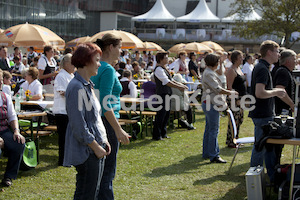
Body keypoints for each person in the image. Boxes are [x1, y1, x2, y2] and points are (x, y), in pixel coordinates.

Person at [63, 43, 110, 199]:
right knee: (86, 195)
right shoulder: (77, 87)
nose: (99, 64)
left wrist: (104, 139)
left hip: (95, 147)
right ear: (86, 60)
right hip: (87, 151)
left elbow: (95, 118)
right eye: (97, 60)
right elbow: (79, 125)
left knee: (92, 193)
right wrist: (95, 146)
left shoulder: (87, 85)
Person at [91, 33, 131, 200]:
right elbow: (106, 103)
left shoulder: (97, 67)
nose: (121, 51)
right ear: (110, 47)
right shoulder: (106, 69)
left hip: (96, 121)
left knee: (100, 172)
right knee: (107, 173)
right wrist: (118, 129)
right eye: (119, 47)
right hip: (106, 123)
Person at [249, 40, 286, 182]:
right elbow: (260, 93)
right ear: (269, 52)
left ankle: (260, 177)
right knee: (260, 148)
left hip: (263, 113)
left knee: (262, 147)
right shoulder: (262, 68)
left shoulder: (263, 67)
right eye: (277, 51)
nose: (278, 55)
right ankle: (254, 180)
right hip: (262, 114)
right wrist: (276, 91)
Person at [201, 53, 238, 163]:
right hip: (211, 103)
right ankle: (214, 155)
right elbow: (217, 88)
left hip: (209, 102)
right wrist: (230, 92)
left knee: (209, 129)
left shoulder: (210, 72)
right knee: (213, 130)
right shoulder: (209, 73)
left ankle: (208, 152)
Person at [152, 51, 188, 140]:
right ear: (161, 59)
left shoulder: (164, 68)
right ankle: (157, 135)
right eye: (166, 58)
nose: (168, 59)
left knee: (166, 114)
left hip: (167, 93)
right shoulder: (159, 69)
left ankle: (163, 133)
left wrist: (181, 85)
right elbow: (167, 82)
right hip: (162, 94)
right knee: (161, 114)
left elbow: (171, 79)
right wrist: (179, 87)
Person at [0, 69, 25, 187]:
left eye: (1, 80)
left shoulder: (5, 96)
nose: (0, 83)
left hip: (4, 130)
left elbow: (12, 116)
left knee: (18, 143)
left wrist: (16, 131)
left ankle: (9, 176)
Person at [53, 53, 75, 166]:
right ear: (66, 63)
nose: (74, 66)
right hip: (61, 110)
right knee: (63, 137)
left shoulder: (70, 75)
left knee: (68, 137)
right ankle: (63, 160)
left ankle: (68, 158)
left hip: (68, 110)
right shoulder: (61, 76)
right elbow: (62, 92)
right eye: (73, 63)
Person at [225, 50, 246, 148]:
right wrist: (234, 99)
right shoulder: (231, 70)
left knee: (240, 119)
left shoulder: (238, 69)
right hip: (234, 99)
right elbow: (229, 87)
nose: (242, 59)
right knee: (234, 120)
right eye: (240, 57)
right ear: (236, 59)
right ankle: (231, 140)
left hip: (241, 98)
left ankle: (236, 138)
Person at [273, 49, 296, 116]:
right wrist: (291, 104)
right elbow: (279, 89)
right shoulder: (283, 71)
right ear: (288, 61)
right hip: (282, 110)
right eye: (294, 59)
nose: (295, 62)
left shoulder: (286, 71)